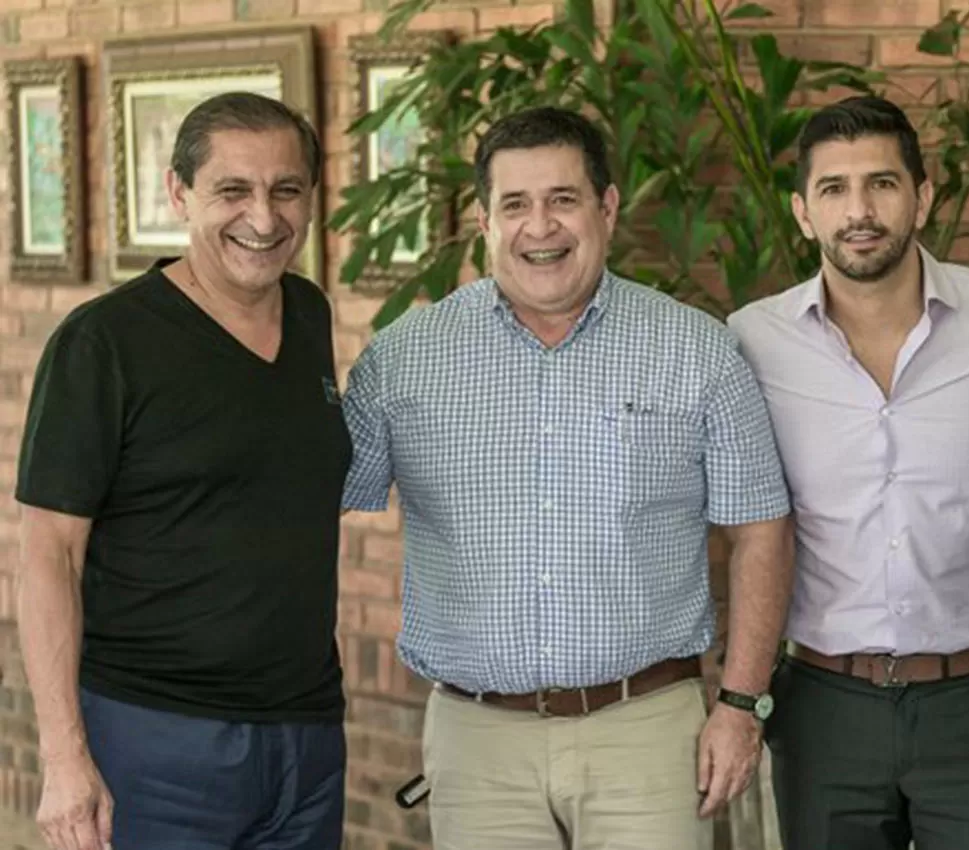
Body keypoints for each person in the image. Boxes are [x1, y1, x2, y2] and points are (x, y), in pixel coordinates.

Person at [339, 106, 794, 850]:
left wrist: (741, 705)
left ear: (607, 208)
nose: (539, 227)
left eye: (563, 199)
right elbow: (304, 498)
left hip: (645, 732)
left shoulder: (696, 351)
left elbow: (761, 530)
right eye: (515, 204)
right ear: (483, 219)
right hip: (476, 741)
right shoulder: (404, 359)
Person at [727, 94, 969, 850]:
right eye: (833, 189)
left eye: (882, 183)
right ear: (801, 212)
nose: (859, 209)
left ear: (924, 196)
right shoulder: (752, 343)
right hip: (823, 706)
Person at [15, 92, 349, 850]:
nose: (263, 219)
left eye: (285, 190)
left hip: (306, 737)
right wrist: (64, 756)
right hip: (153, 740)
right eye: (233, 190)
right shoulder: (104, 343)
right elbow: (46, 556)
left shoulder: (307, 313)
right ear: (178, 193)